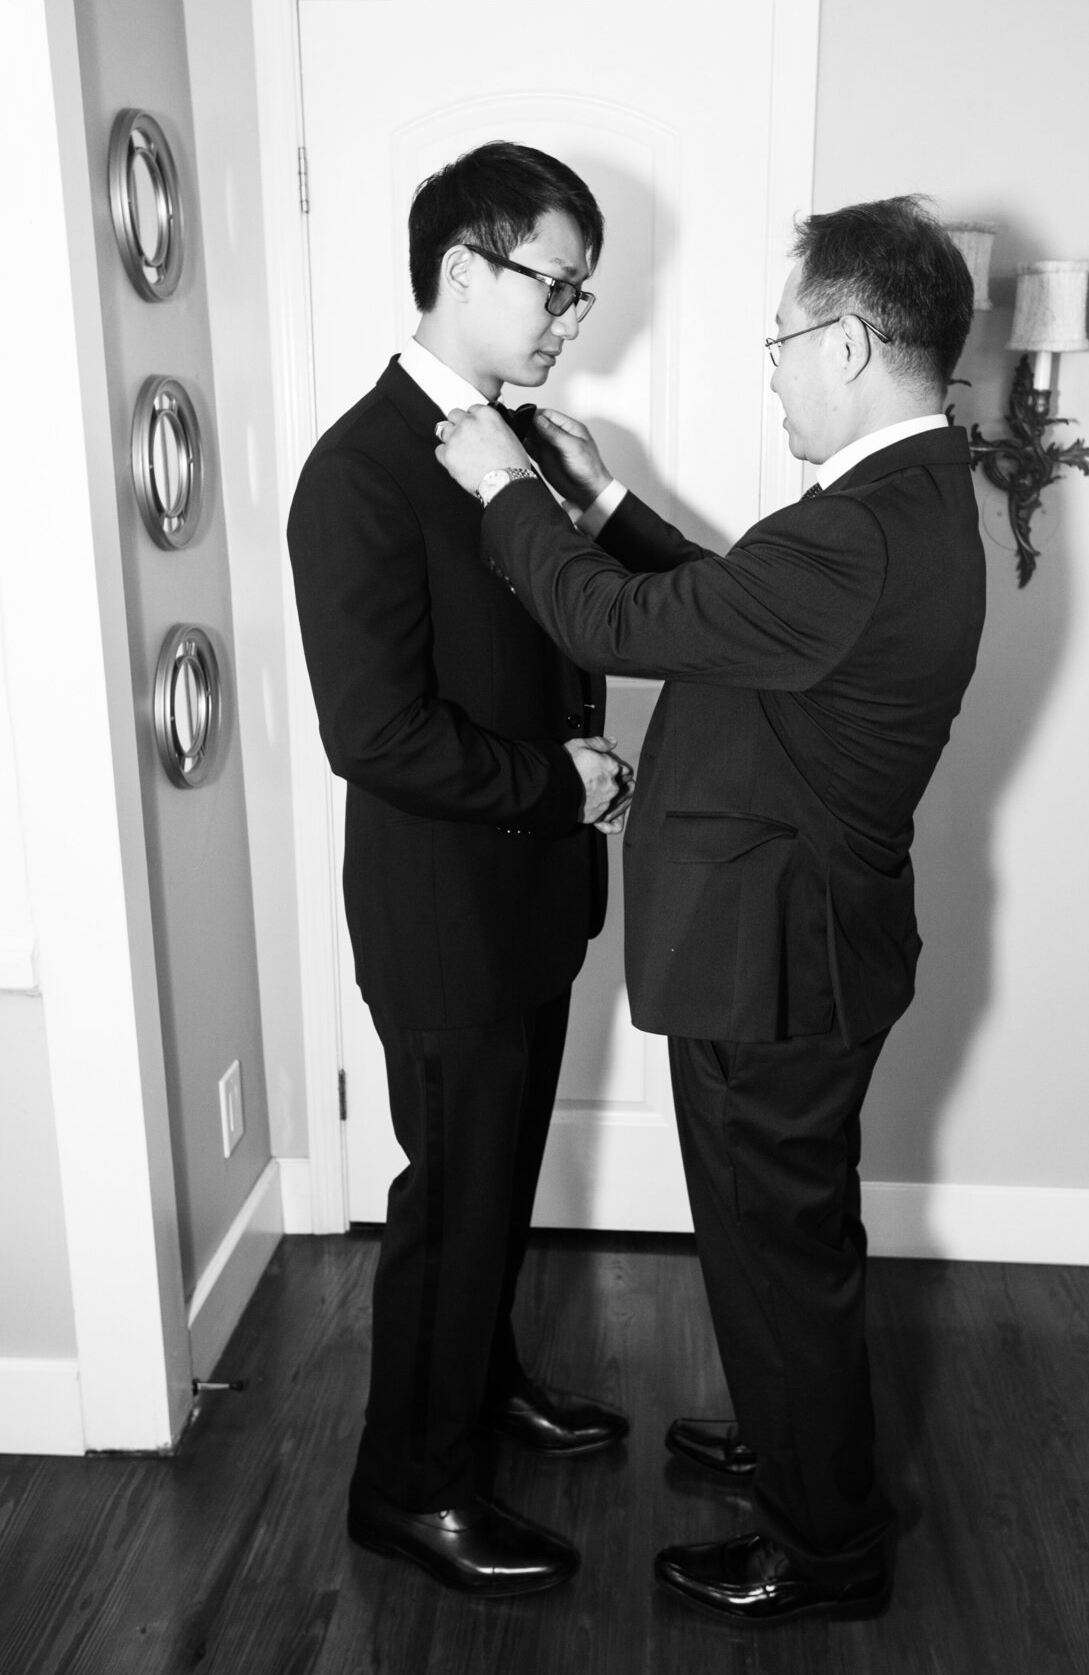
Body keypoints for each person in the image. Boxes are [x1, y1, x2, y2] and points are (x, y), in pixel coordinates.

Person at [436, 195, 986, 1623]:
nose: (775, 366)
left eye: (785, 338)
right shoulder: (902, 504)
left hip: (772, 965)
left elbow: (619, 631)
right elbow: (744, 619)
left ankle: (825, 1549)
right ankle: (801, 1441)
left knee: (778, 1255)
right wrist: (608, 506)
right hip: (803, 947)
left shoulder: (861, 530)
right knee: (786, 1251)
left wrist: (506, 489)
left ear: (853, 342)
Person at [287, 141, 634, 1601]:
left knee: (494, 1180)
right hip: (440, 914)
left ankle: (482, 1395)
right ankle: (408, 1491)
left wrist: (597, 507)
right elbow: (373, 734)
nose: (573, 313)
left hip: (532, 902)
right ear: (461, 273)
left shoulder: (535, 447)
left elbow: (601, 617)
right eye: (556, 282)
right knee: (453, 1198)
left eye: (584, 288)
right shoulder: (358, 470)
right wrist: (557, 780)